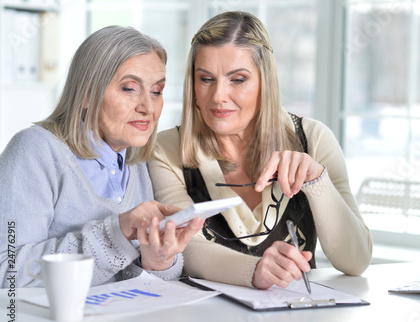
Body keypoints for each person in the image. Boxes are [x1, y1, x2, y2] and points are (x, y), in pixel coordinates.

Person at [148, 11, 372, 289]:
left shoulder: (314, 139)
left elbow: (356, 261)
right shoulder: (166, 149)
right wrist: (254, 270)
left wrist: (316, 180)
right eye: (206, 79)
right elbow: (186, 247)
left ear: (264, 82)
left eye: (238, 79)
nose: (218, 96)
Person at [0, 26, 203, 288]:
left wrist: (158, 261)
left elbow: (136, 284)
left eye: (156, 91)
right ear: (86, 93)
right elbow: (8, 273)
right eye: (129, 88)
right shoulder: (35, 150)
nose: (148, 108)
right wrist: (115, 233)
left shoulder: (136, 162)